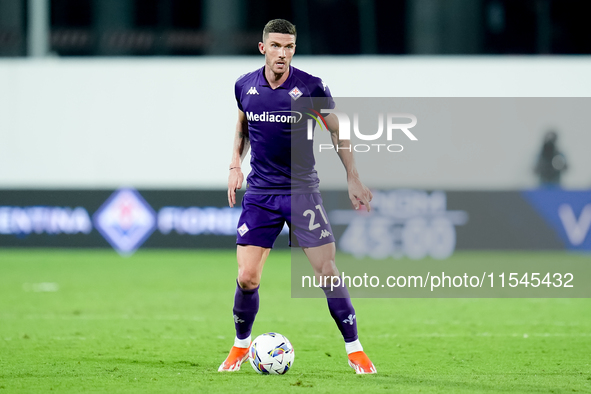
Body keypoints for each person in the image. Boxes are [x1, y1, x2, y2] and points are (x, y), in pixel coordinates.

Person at [218, 19, 376, 374]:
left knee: (328, 273)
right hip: (260, 193)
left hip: (303, 193)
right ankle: (241, 346)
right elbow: (243, 126)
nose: (282, 54)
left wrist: (353, 178)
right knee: (247, 278)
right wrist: (234, 164)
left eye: (289, 47)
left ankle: (355, 349)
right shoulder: (245, 86)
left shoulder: (310, 86)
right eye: (276, 46)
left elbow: (339, 131)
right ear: (263, 48)